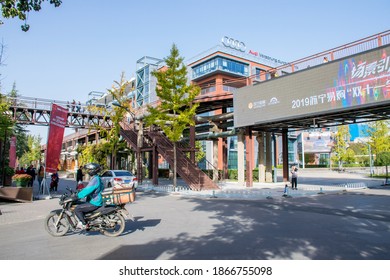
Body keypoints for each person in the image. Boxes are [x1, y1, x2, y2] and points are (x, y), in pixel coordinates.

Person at [74, 163, 104, 230]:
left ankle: (84, 224)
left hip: (95, 202)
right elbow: (88, 188)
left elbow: (88, 190)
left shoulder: (95, 179)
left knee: (77, 209)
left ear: (93, 170)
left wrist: (78, 196)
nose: (88, 171)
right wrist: (80, 191)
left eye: (89, 170)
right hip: (95, 200)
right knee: (81, 204)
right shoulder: (96, 178)